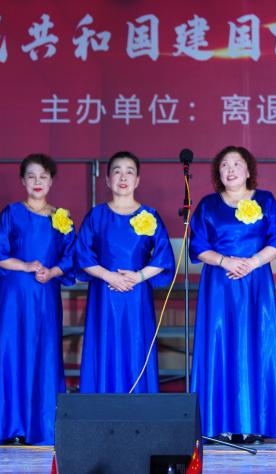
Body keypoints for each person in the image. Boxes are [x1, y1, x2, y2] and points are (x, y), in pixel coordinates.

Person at [190, 146, 276, 445]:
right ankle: (217, 424)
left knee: (254, 346)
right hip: (220, 286)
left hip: (255, 284)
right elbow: (198, 246)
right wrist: (225, 261)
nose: (230, 169)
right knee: (219, 346)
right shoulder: (208, 205)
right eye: (224, 165)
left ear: (248, 171)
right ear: (218, 173)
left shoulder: (266, 200)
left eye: (236, 164)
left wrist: (252, 263)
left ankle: (253, 424)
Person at [0, 154, 75, 445]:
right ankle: (11, 426)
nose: (38, 182)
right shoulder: (11, 213)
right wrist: (25, 265)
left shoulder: (61, 218)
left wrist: (53, 272)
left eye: (43, 176)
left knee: (44, 353)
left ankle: (43, 426)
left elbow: (71, 258)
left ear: (51, 181)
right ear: (22, 181)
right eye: (32, 176)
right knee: (12, 352)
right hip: (14, 296)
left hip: (45, 295)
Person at [74, 151, 175, 394]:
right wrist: (109, 276)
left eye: (129, 172)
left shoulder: (149, 216)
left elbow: (163, 257)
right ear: (107, 179)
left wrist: (138, 276)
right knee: (104, 345)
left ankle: (139, 407)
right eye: (117, 171)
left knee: (136, 345)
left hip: (136, 295)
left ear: (137, 180)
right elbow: (82, 255)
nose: (123, 177)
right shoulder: (96, 216)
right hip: (104, 293)